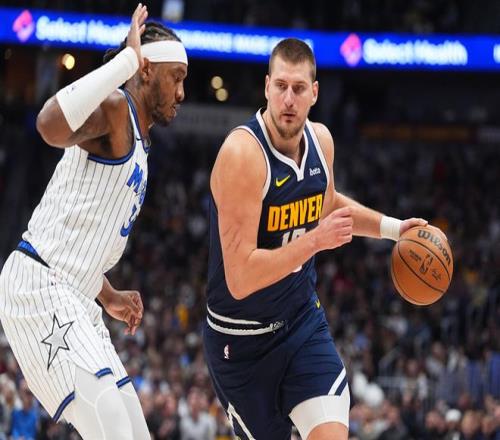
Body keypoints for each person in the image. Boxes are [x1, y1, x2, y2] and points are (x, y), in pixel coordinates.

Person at [203, 38, 427, 440]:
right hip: (241, 342)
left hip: (301, 323)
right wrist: (314, 242)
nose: (288, 99)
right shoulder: (242, 155)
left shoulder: (321, 142)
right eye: (281, 86)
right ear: (266, 87)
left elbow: (328, 205)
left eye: (299, 88)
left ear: (315, 93)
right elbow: (239, 278)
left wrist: (395, 230)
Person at [0, 4, 187, 439]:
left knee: (135, 432)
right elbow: (48, 124)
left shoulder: (139, 142)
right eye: (176, 77)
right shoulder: (117, 108)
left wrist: (107, 294)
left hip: (77, 295)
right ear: (145, 71)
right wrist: (124, 61)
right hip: (41, 286)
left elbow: (78, 233)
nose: (181, 92)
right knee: (112, 425)